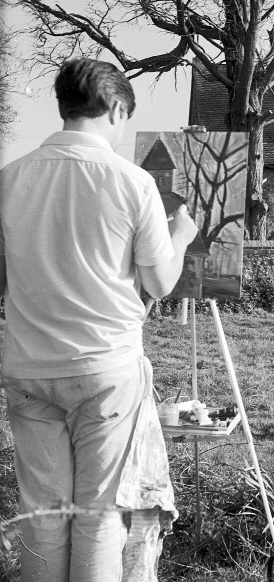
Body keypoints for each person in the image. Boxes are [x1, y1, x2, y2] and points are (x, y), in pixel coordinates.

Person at [0, 57, 199, 581]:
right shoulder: (133, 183)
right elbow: (159, 283)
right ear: (114, 108)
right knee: (97, 516)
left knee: (43, 517)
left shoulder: (9, 178)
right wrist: (179, 238)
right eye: (125, 118)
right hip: (105, 369)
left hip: (28, 367)